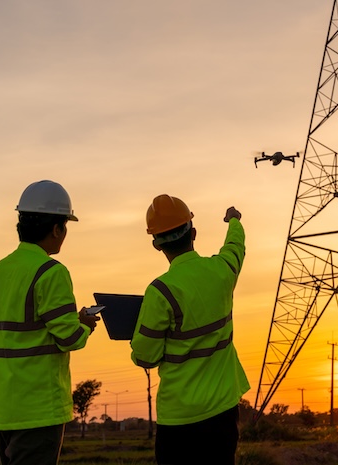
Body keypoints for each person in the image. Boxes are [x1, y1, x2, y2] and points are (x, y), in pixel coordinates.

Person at [0, 180, 99, 465]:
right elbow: (69, 338)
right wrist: (84, 324)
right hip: (38, 408)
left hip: (0, 408)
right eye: (65, 227)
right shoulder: (50, 272)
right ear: (57, 229)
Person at [131, 194, 249, 465]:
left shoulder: (159, 292)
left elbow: (145, 357)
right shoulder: (222, 271)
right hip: (222, 412)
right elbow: (235, 246)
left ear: (156, 244)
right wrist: (234, 220)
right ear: (193, 232)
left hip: (178, 418)